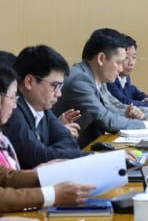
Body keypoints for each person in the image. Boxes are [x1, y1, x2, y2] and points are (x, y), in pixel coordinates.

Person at [0, 62, 94, 213]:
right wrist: (54, 193)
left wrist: (47, 174)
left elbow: (5, 176)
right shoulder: (17, 117)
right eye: (12, 98)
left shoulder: (41, 107)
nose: (14, 105)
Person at [53, 28, 148, 148]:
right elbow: (106, 119)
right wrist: (147, 124)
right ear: (101, 59)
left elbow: (113, 106)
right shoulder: (80, 81)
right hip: (70, 151)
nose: (121, 69)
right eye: (118, 62)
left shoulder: (95, 76)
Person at [2, 45, 90, 170]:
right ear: (29, 82)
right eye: (55, 86)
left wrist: (49, 151)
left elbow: (69, 141)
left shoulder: (41, 107)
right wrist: (90, 156)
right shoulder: (12, 110)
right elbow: (38, 157)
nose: (58, 94)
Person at [106, 35, 148, 110]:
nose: (131, 63)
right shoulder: (109, 78)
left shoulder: (125, 76)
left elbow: (133, 91)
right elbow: (123, 102)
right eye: (126, 58)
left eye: (134, 57)